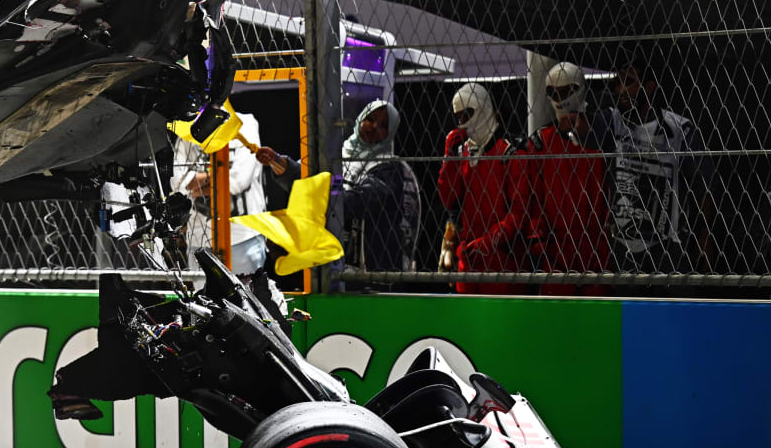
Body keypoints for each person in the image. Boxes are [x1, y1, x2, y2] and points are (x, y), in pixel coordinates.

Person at [257, 100, 420, 281]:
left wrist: (317, 196)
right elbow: (309, 176)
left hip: (374, 272)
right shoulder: (340, 154)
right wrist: (278, 162)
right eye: (370, 119)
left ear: (390, 133)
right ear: (360, 120)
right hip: (333, 265)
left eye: (383, 125)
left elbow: (361, 201)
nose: (374, 126)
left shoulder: (390, 167)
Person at [590, 60, 714, 277]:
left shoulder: (678, 129)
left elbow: (703, 183)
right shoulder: (612, 121)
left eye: (628, 83)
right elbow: (582, 135)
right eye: (617, 83)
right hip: (623, 243)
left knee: (672, 305)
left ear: (648, 87)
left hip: (668, 244)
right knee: (628, 307)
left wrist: (704, 234)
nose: (620, 90)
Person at [524, 63, 611, 295]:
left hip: (598, 252)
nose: (560, 99)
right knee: (555, 325)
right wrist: (539, 242)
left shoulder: (601, 140)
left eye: (566, 91)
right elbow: (534, 198)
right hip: (556, 255)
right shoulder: (541, 143)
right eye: (554, 93)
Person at [437, 83, 529, 295]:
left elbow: (519, 213)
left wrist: (487, 243)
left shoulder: (509, 153)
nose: (463, 123)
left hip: (503, 258)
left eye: (467, 114)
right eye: (459, 117)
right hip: (469, 256)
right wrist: (449, 157)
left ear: (484, 109)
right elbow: (448, 199)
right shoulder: (463, 153)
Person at [171, 111, 267, 275]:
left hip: (242, 237)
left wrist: (197, 184)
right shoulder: (186, 130)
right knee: (203, 299)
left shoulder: (245, 124)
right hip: (199, 238)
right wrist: (218, 175)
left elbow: (238, 182)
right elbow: (179, 185)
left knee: (246, 298)